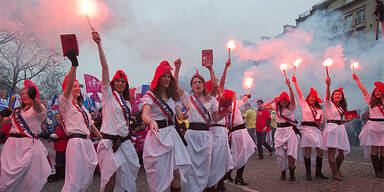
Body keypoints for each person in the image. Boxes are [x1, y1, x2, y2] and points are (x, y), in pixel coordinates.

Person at [92, 32, 141, 191]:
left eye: (123, 81)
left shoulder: (127, 102)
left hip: (124, 143)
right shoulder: (108, 96)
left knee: (127, 177)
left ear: (126, 85)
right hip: (109, 144)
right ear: (113, 83)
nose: (120, 83)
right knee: (110, 178)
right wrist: (99, 44)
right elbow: (104, 67)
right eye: (117, 81)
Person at [142, 60, 191, 192]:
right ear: (158, 77)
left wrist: (184, 116)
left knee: (176, 174)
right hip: (157, 137)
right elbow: (145, 115)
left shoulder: (172, 97)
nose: (167, 78)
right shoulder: (150, 96)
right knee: (160, 175)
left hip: (172, 136)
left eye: (169, 76)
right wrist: (151, 121)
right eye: (164, 75)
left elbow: (179, 116)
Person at [179, 61, 228, 192]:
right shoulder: (188, 98)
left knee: (206, 166)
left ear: (203, 85)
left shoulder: (211, 100)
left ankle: (205, 188)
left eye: (200, 82)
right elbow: (174, 88)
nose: (198, 84)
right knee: (191, 167)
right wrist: (177, 68)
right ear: (191, 86)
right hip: (191, 136)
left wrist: (211, 69)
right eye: (195, 82)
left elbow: (216, 118)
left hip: (206, 136)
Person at [59, 49, 102, 192]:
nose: (76, 87)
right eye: (74, 85)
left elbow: (91, 126)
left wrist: (103, 138)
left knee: (85, 178)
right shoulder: (65, 103)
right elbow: (68, 85)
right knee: (74, 179)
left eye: (78, 86)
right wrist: (74, 66)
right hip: (75, 142)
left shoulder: (83, 108)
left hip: (87, 142)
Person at [0, 80, 52, 191]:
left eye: (28, 93)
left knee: (27, 177)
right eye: (22, 94)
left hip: (28, 146)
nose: (25, 96)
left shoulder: (39, 109)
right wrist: (1, 115)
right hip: (12, 146)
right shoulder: (16, 111)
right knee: (6, 177)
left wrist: (34, 98)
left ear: (33, 94)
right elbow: (3, 122)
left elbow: (38, 107)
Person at [292, 75, 328, 181]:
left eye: (313, 97)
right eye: (310, 97)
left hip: (316, 130)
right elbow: (299, 93)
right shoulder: (304, 105)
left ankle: (318, 172)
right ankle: (308, 173)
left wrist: (319, 122)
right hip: (306, 129)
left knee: (320, 150)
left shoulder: (320, 109)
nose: (311, 98)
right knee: (307, 151)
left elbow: (322, 122)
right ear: (307, 99)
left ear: (315, 99)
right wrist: (295, 82)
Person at [205, 59, 233, 192]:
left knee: (223, 159)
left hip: (222, 132)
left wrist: (226, 68)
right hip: (213, 131)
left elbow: (222, 82)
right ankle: (211, 185)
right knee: (215, 158)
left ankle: (221, 184)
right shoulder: (208, 100)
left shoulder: (219, 98)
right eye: (216, 85)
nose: (219, 87)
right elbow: (220, 82)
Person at [263, 79, 299, 181]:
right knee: (280, 155)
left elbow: (292, 98)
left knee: (290, 153)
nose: (283, 103)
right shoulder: (276, 107)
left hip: (290, 131)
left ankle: (292, 174)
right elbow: (264, 107)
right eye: (281, 101)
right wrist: (273, 101)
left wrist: (289, 86)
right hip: (279, 131)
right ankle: (283, 172)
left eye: (285, 101)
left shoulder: (291, 107)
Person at [353, 74, 384, 178]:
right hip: (374, 126)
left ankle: (382, 169)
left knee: (383, 149)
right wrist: (357, 80)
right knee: (374, 148)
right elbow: (364, 90)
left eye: (379, 91)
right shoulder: (371, 100)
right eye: (376, 91)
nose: (377, 92)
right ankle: (377, 171)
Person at [225, 90, 256, 185]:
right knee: (243, 153)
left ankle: (229, 174)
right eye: (234, 95)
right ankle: (239, 176)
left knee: (236, 154)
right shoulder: (235, 104)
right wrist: (247, 95)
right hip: (240, 131)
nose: (235, 97)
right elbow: (243, 100)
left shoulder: (226, 107)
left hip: (234, 132)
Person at [323, 76, 350, 181]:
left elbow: (338, 118)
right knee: (332, 153)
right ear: (332, 96)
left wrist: (346, 121)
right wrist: (328, 85)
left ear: (342, 97)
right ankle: (335, 173)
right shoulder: (329, 104)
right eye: (336, 94)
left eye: (340, 94)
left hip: (340, 128)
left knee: (341, 155)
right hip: (332, 129)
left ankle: (336, 171)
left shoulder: (341, 107)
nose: (338, 95)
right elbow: (327, 96)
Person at [47, 112, 68, 182]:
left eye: (58, 117)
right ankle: (61, 175)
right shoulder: (58, 125)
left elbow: (58, 135)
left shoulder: (62, 125)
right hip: (58, 144)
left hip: (62, 144)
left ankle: (61, 175)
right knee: (59, 160)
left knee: (59, 160)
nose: (57, 118)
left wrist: (49, 135)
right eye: (56, 117)